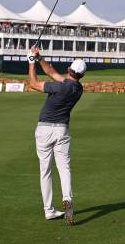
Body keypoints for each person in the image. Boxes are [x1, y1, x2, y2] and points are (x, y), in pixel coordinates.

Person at [27, 45, 86, 225]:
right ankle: (67, 199)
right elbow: (51, 71)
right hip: (62, 130)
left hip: (44, 129)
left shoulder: (60, 87)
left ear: (69, 70)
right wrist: (39, 57)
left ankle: (49, 210)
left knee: (45, 171)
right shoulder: (78, 88)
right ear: (81, 75)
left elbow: (33, 83)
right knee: (64, 168)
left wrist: (30, 63)